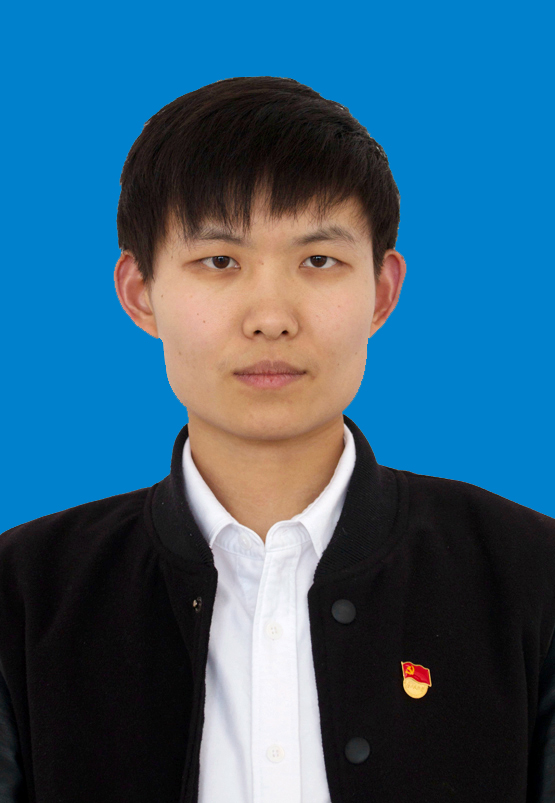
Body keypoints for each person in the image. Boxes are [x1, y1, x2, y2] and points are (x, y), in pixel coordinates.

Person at [0, 75, 554, 803]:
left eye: (318, 260)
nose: (270, 317)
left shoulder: (530, 575)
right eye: (219, 261)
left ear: (382, 291)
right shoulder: (23, 592)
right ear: (140, 292)